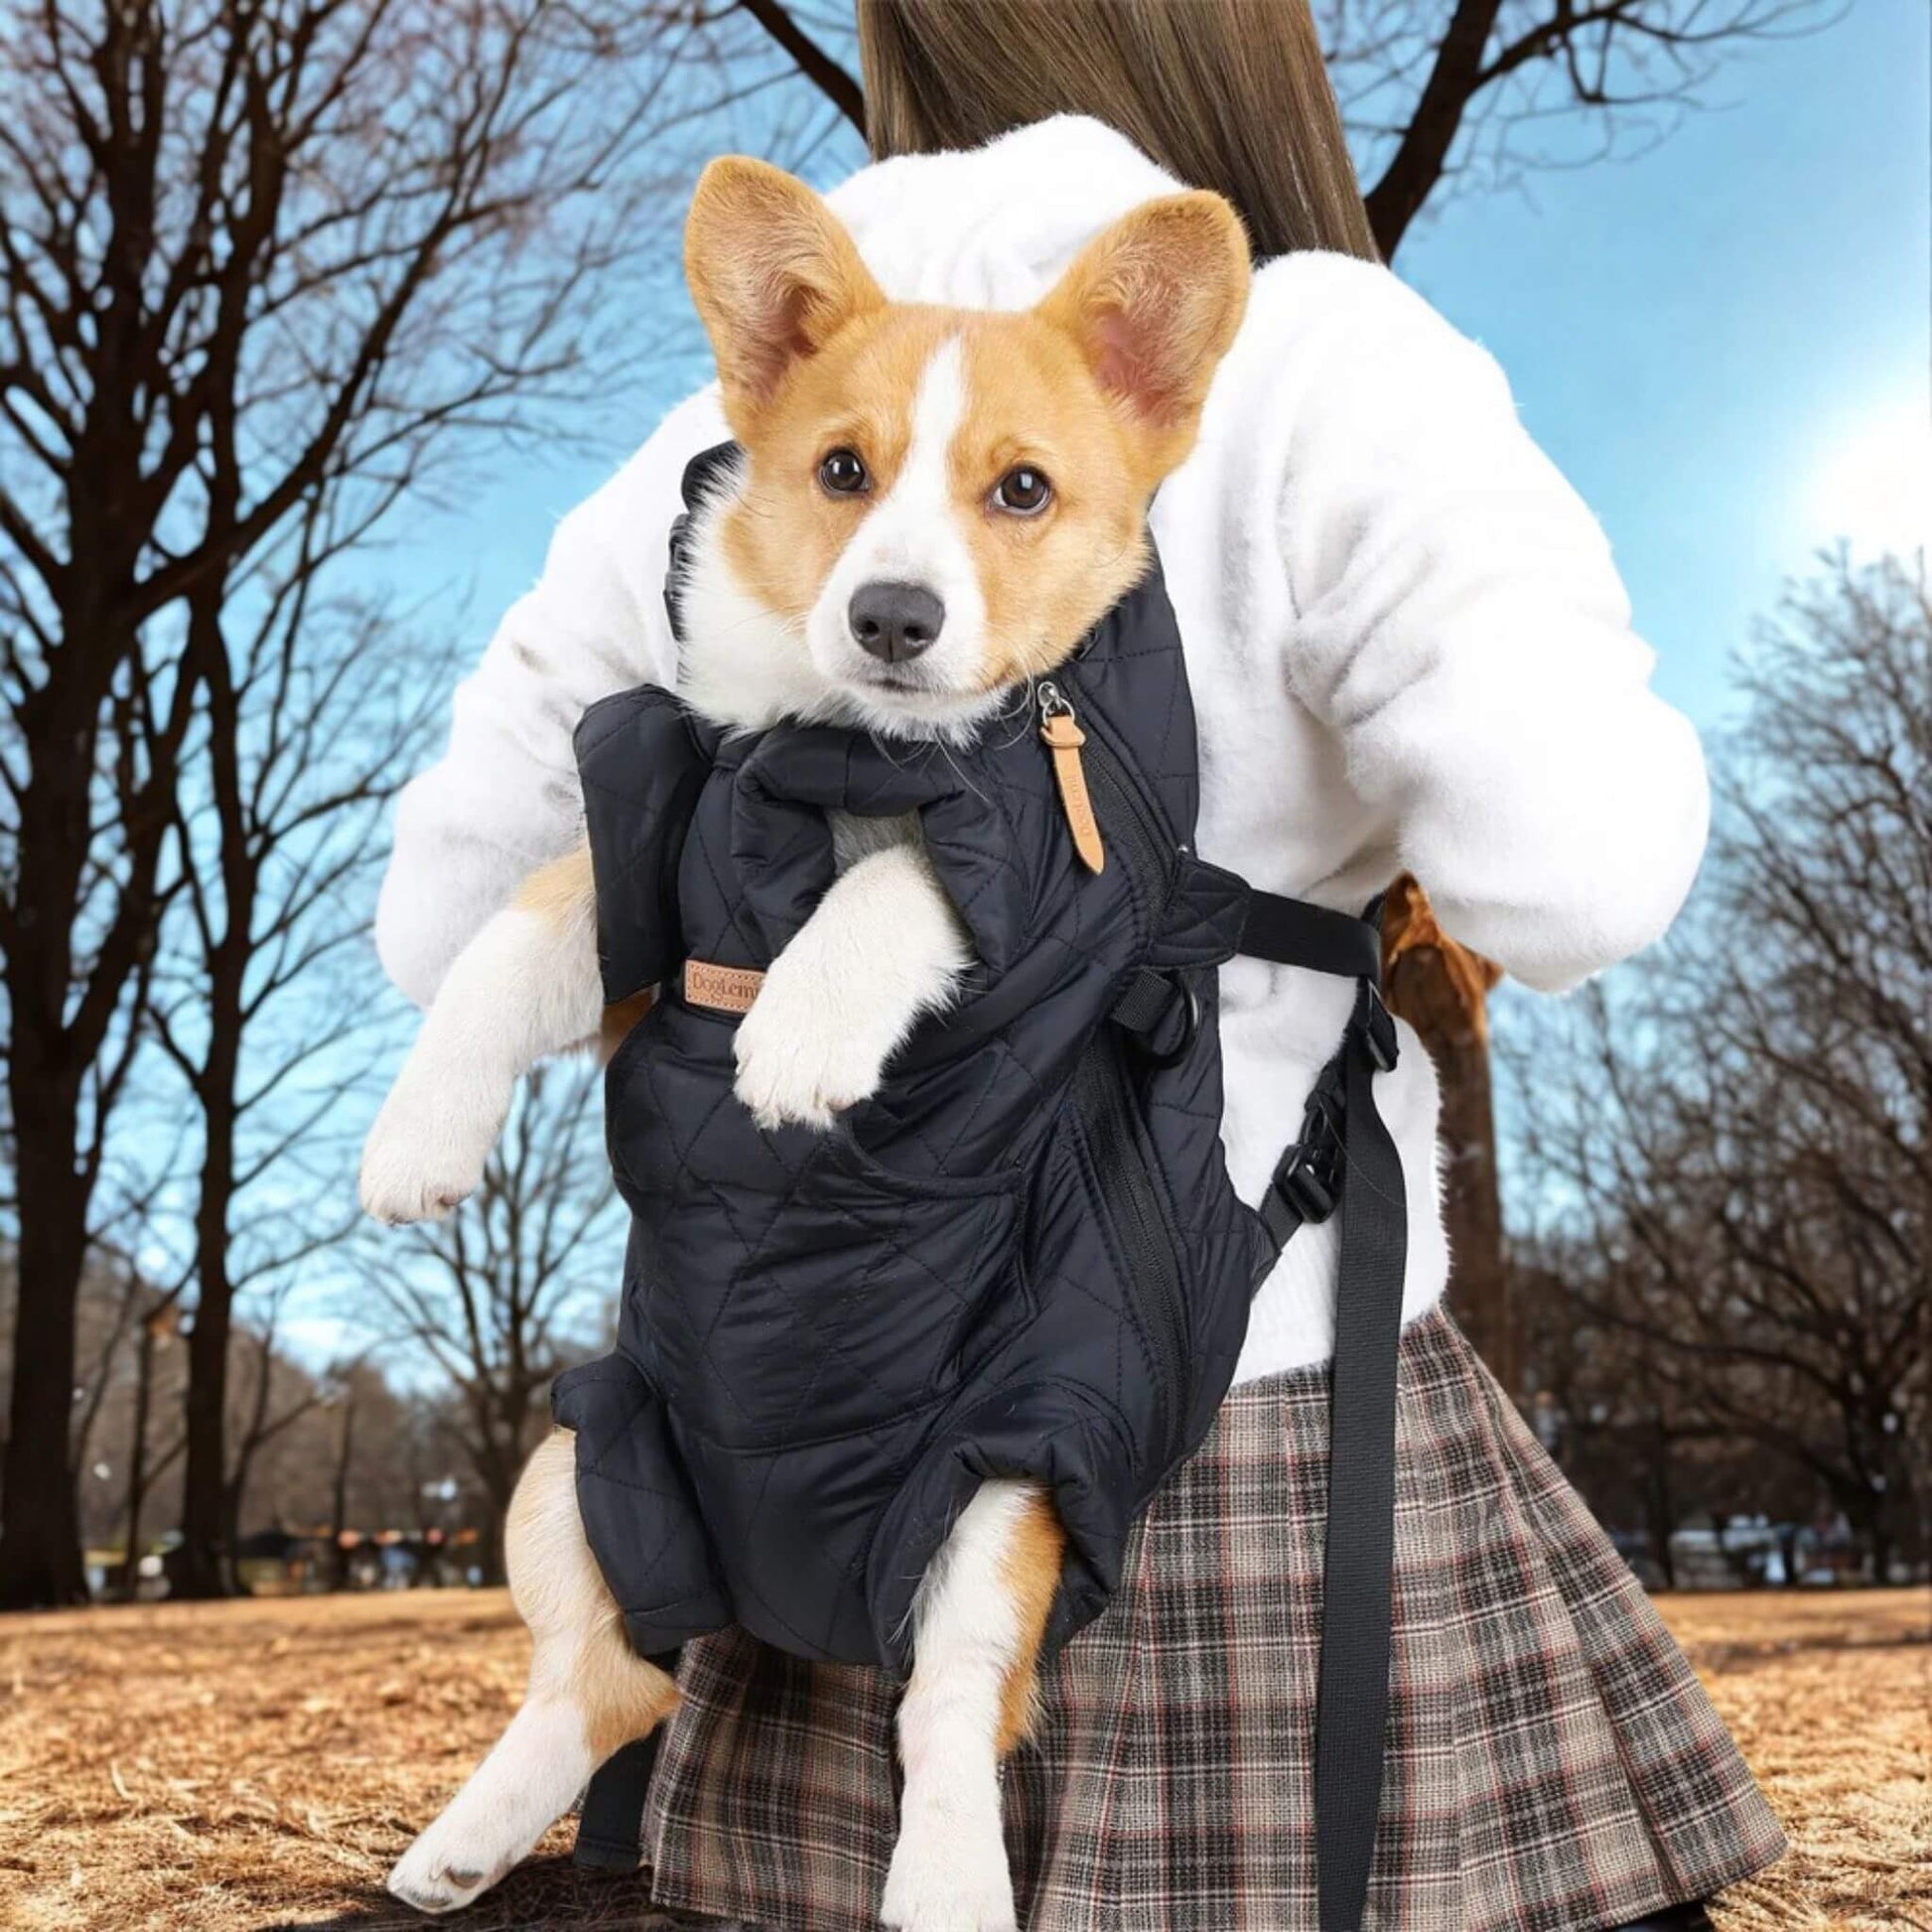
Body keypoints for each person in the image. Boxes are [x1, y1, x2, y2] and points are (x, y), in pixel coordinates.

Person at [373, 3, 1785, 1926]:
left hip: (803, 1448)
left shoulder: (746, 427)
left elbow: (442, 925)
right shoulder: (1321, 363)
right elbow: (1579, 874)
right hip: (1262, 1429)